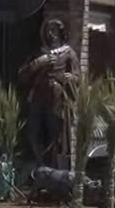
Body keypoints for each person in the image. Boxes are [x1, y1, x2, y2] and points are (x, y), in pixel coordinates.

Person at [17, 18, 79, 168]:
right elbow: (22, 75)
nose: (52, 34)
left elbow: (77, 76)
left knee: (55, 134)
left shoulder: (68, 53)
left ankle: (53, 168)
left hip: (56, 97)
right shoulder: (38, 53)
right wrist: (39, 62)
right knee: (33, 131)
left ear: (61, 32)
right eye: (48, 31)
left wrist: (71, 78)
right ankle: (39, 163)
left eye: (55, 30)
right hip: (38, 96)